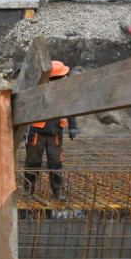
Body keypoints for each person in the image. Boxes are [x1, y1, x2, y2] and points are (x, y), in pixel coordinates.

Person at [23, 60, 78, 199]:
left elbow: (70, 108)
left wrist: (73, 126)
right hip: (37, 132)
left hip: (56, 132)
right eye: (62, 76)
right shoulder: (38, 92)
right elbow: (25, 111)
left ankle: (58, 192)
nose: (65, 78)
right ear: (52, 79)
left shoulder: (65, 92)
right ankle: (28, 190)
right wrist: (24, 129)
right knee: (33, 162)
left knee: (56, 163)